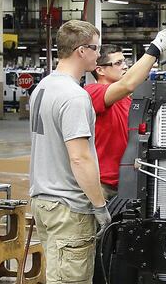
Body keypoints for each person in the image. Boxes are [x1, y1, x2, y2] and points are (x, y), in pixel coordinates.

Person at [28, 20, 110, 284]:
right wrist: (99, 206)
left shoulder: (43, 87)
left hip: (44, 201)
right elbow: (79, 157)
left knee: (56, 274)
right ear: (82, 50)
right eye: (96, 48)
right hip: (69, 207)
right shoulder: (74, 96)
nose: (99, 55)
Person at [84, 30, 166, 200]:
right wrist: (154, 49)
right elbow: (128, 84)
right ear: (100, 70)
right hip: (102, 186)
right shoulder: (92, 92)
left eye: (124, 61)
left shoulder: (127, 102)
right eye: (118, 63)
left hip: (127, 182)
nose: (125, 66)